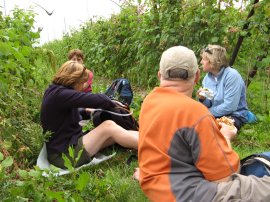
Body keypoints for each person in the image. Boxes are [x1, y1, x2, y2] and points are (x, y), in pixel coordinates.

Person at [135, 46, 270, 202]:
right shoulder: (195, 113)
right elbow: (227, 175)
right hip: (192, 194)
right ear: (197, 76)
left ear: (160, 75)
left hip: (157, 188)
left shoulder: (149, 102)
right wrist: (225, 137)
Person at [40, 61, 138, 169]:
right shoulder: (60, 95)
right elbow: (98, 100)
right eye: (82, 82)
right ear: (74, 80)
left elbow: (68, 112)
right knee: (109, 127)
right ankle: (153, 149)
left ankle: (150, 140)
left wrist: (87, 111)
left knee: (116, 132)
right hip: (64, 156)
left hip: (67, 146)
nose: (83, 87)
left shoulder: (54, 91)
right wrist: (112, 102)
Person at [197, 44, 249, 131]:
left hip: (235, 115)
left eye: (203, 59)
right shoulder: (207, 79)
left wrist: (207, 113)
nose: (201, 62)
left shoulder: (232, 76)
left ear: (212, 61)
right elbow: (209, 103)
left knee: (217, 131)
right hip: (215, 114)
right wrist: (203, 99)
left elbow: (230, 106)